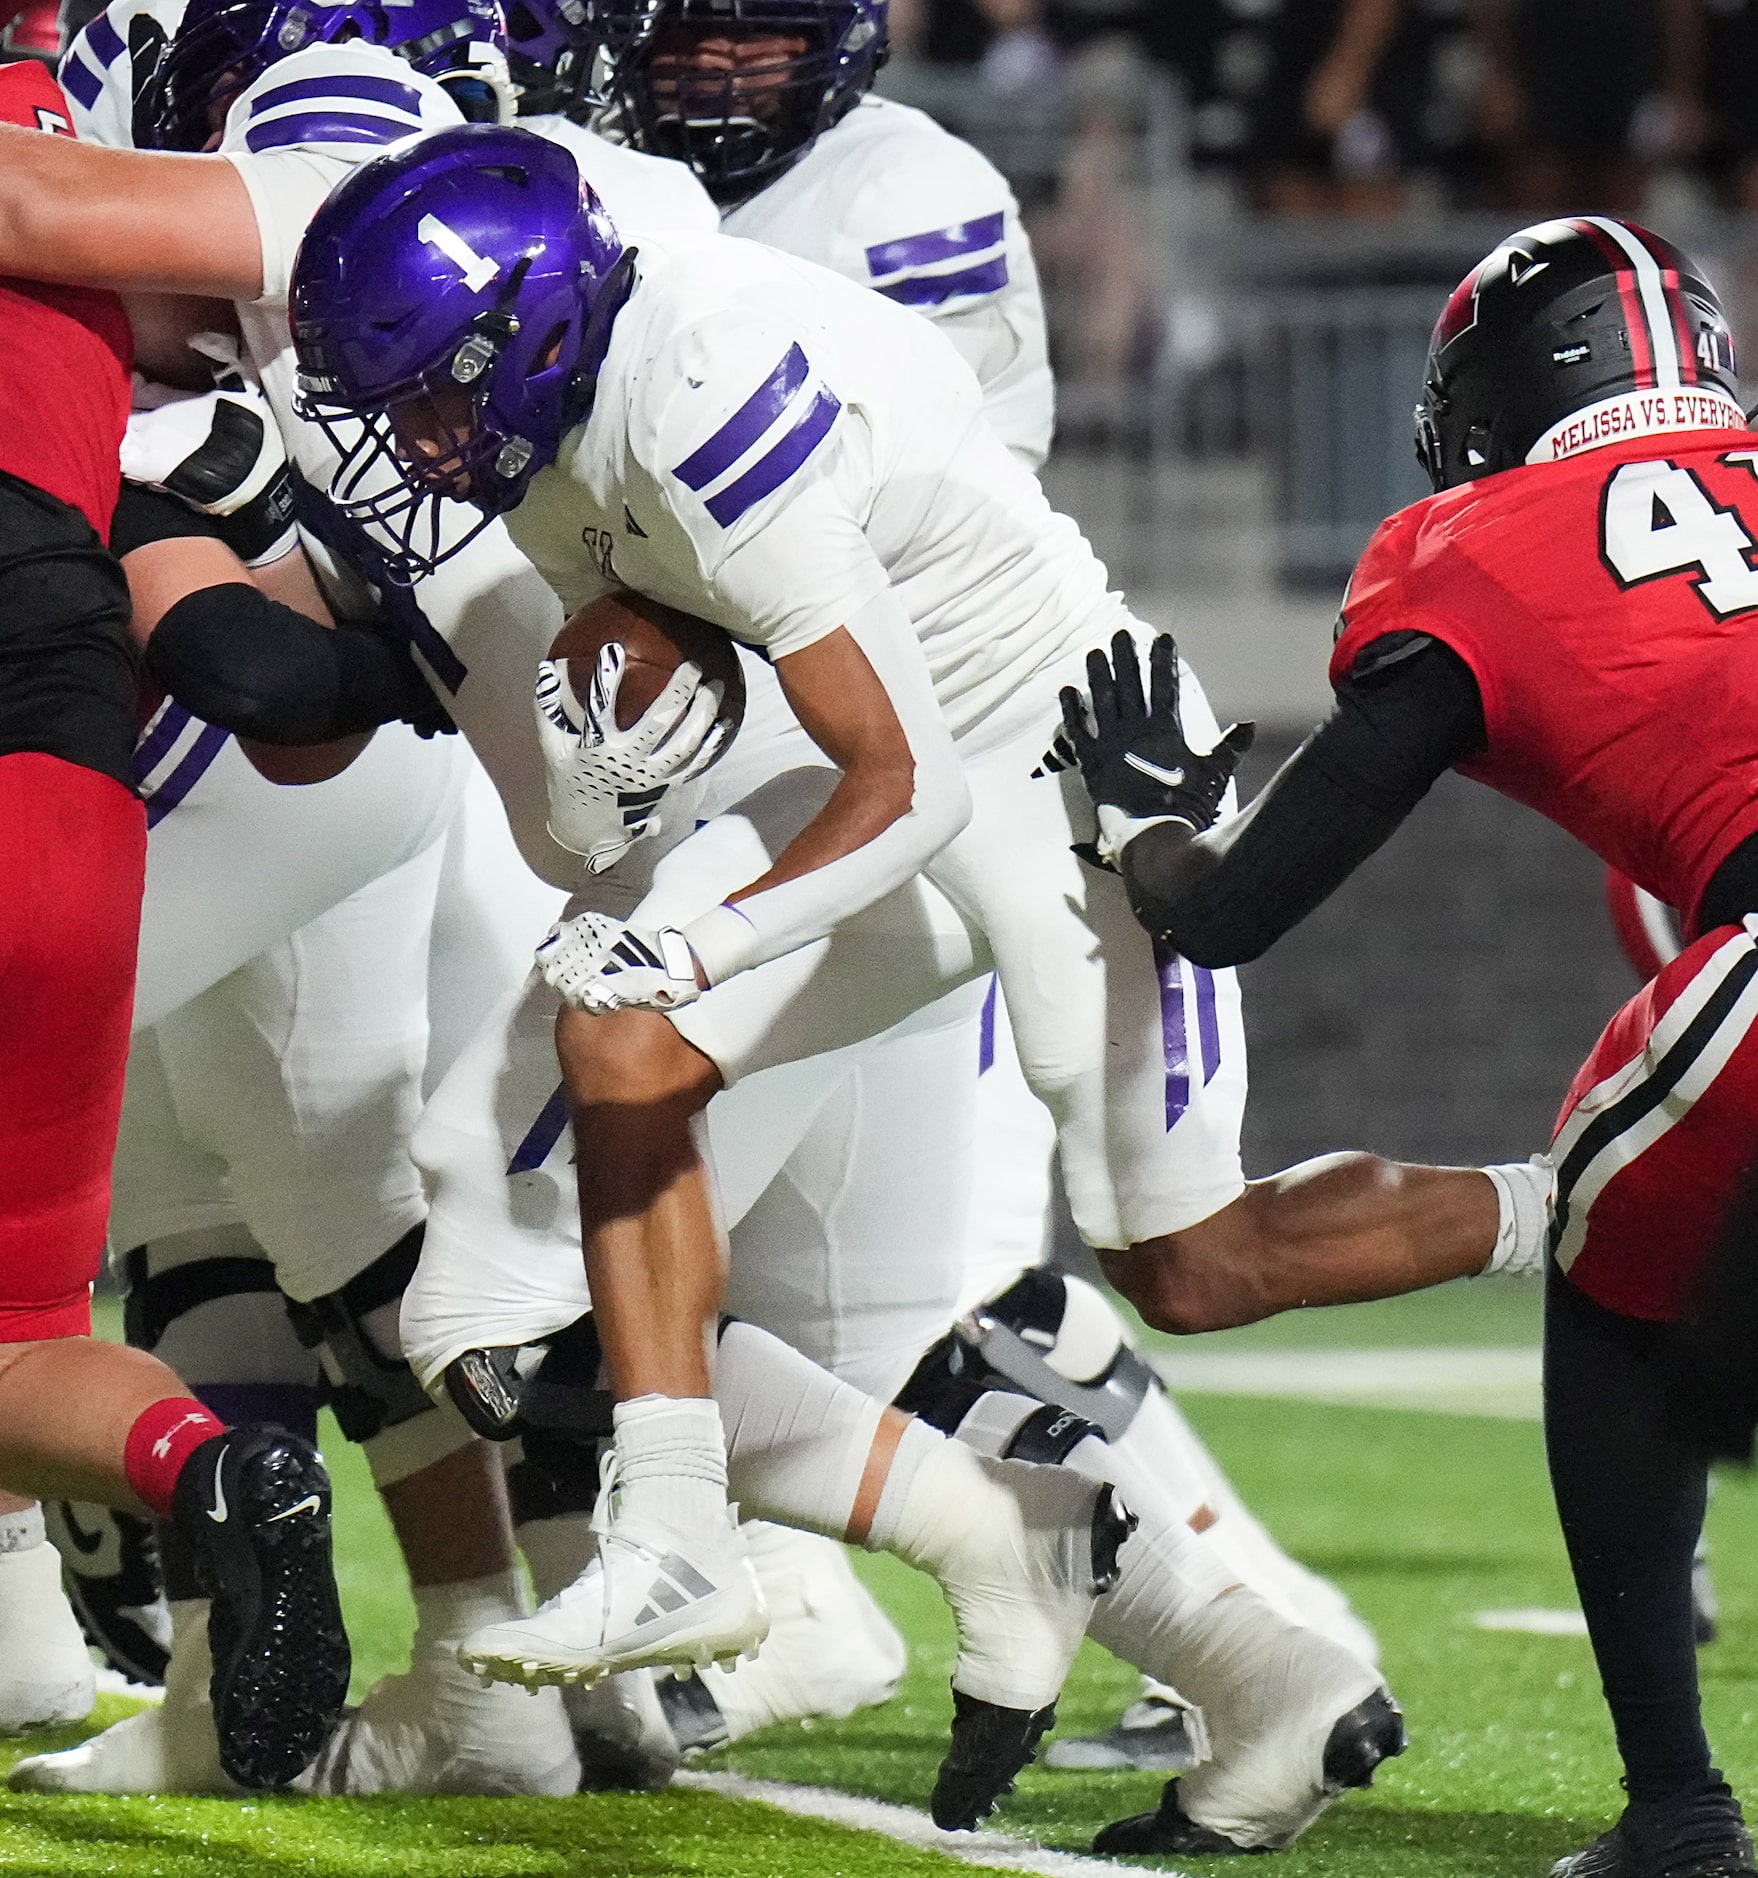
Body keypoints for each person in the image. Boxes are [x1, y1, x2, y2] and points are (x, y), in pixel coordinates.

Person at [1058, 213, 1758, 1878]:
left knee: (1606, 1267)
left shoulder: (1477, 543)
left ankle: (1677, 1806)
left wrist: (1156, 834)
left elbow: (1231, 916)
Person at [0, 53, 347, 1791]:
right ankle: (215, 1470)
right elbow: (272, 686)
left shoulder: (61, 199)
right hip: (76, 775)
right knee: (24, 1339)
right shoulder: (116, 278)